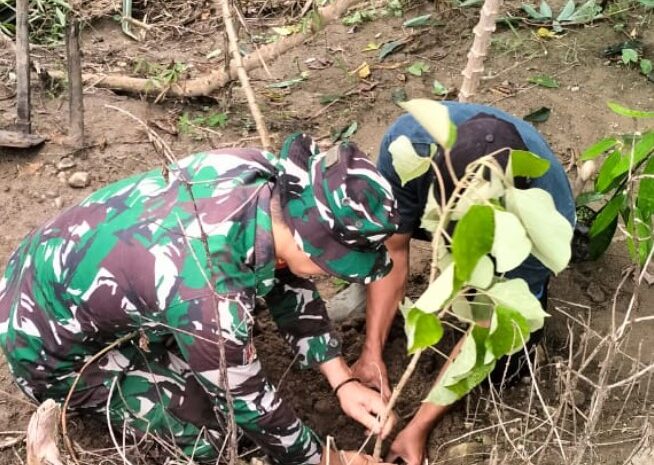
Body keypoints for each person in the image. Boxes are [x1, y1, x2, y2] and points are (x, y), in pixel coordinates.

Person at [0, 134, 400, 465]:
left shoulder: (266, 181)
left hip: (50, 261)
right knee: (217, 430)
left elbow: (286, 275)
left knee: (220, 332)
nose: (333, 273)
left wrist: (342, 380)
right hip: (44, 344)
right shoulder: (210, 295)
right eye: (334, 265)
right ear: (304, 241)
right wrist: (325, 460)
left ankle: (164, 344)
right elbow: (248, 401)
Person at [351, 101, 576, 465]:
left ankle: (493, 271)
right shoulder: (410, 144)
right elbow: (394, 248)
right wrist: (371, 352)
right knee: (369, 234)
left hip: (514, 236)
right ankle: (375, 310)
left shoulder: (547, 218)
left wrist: (418, 427)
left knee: (508, 364)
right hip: (434, 199)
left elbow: (487, 329)